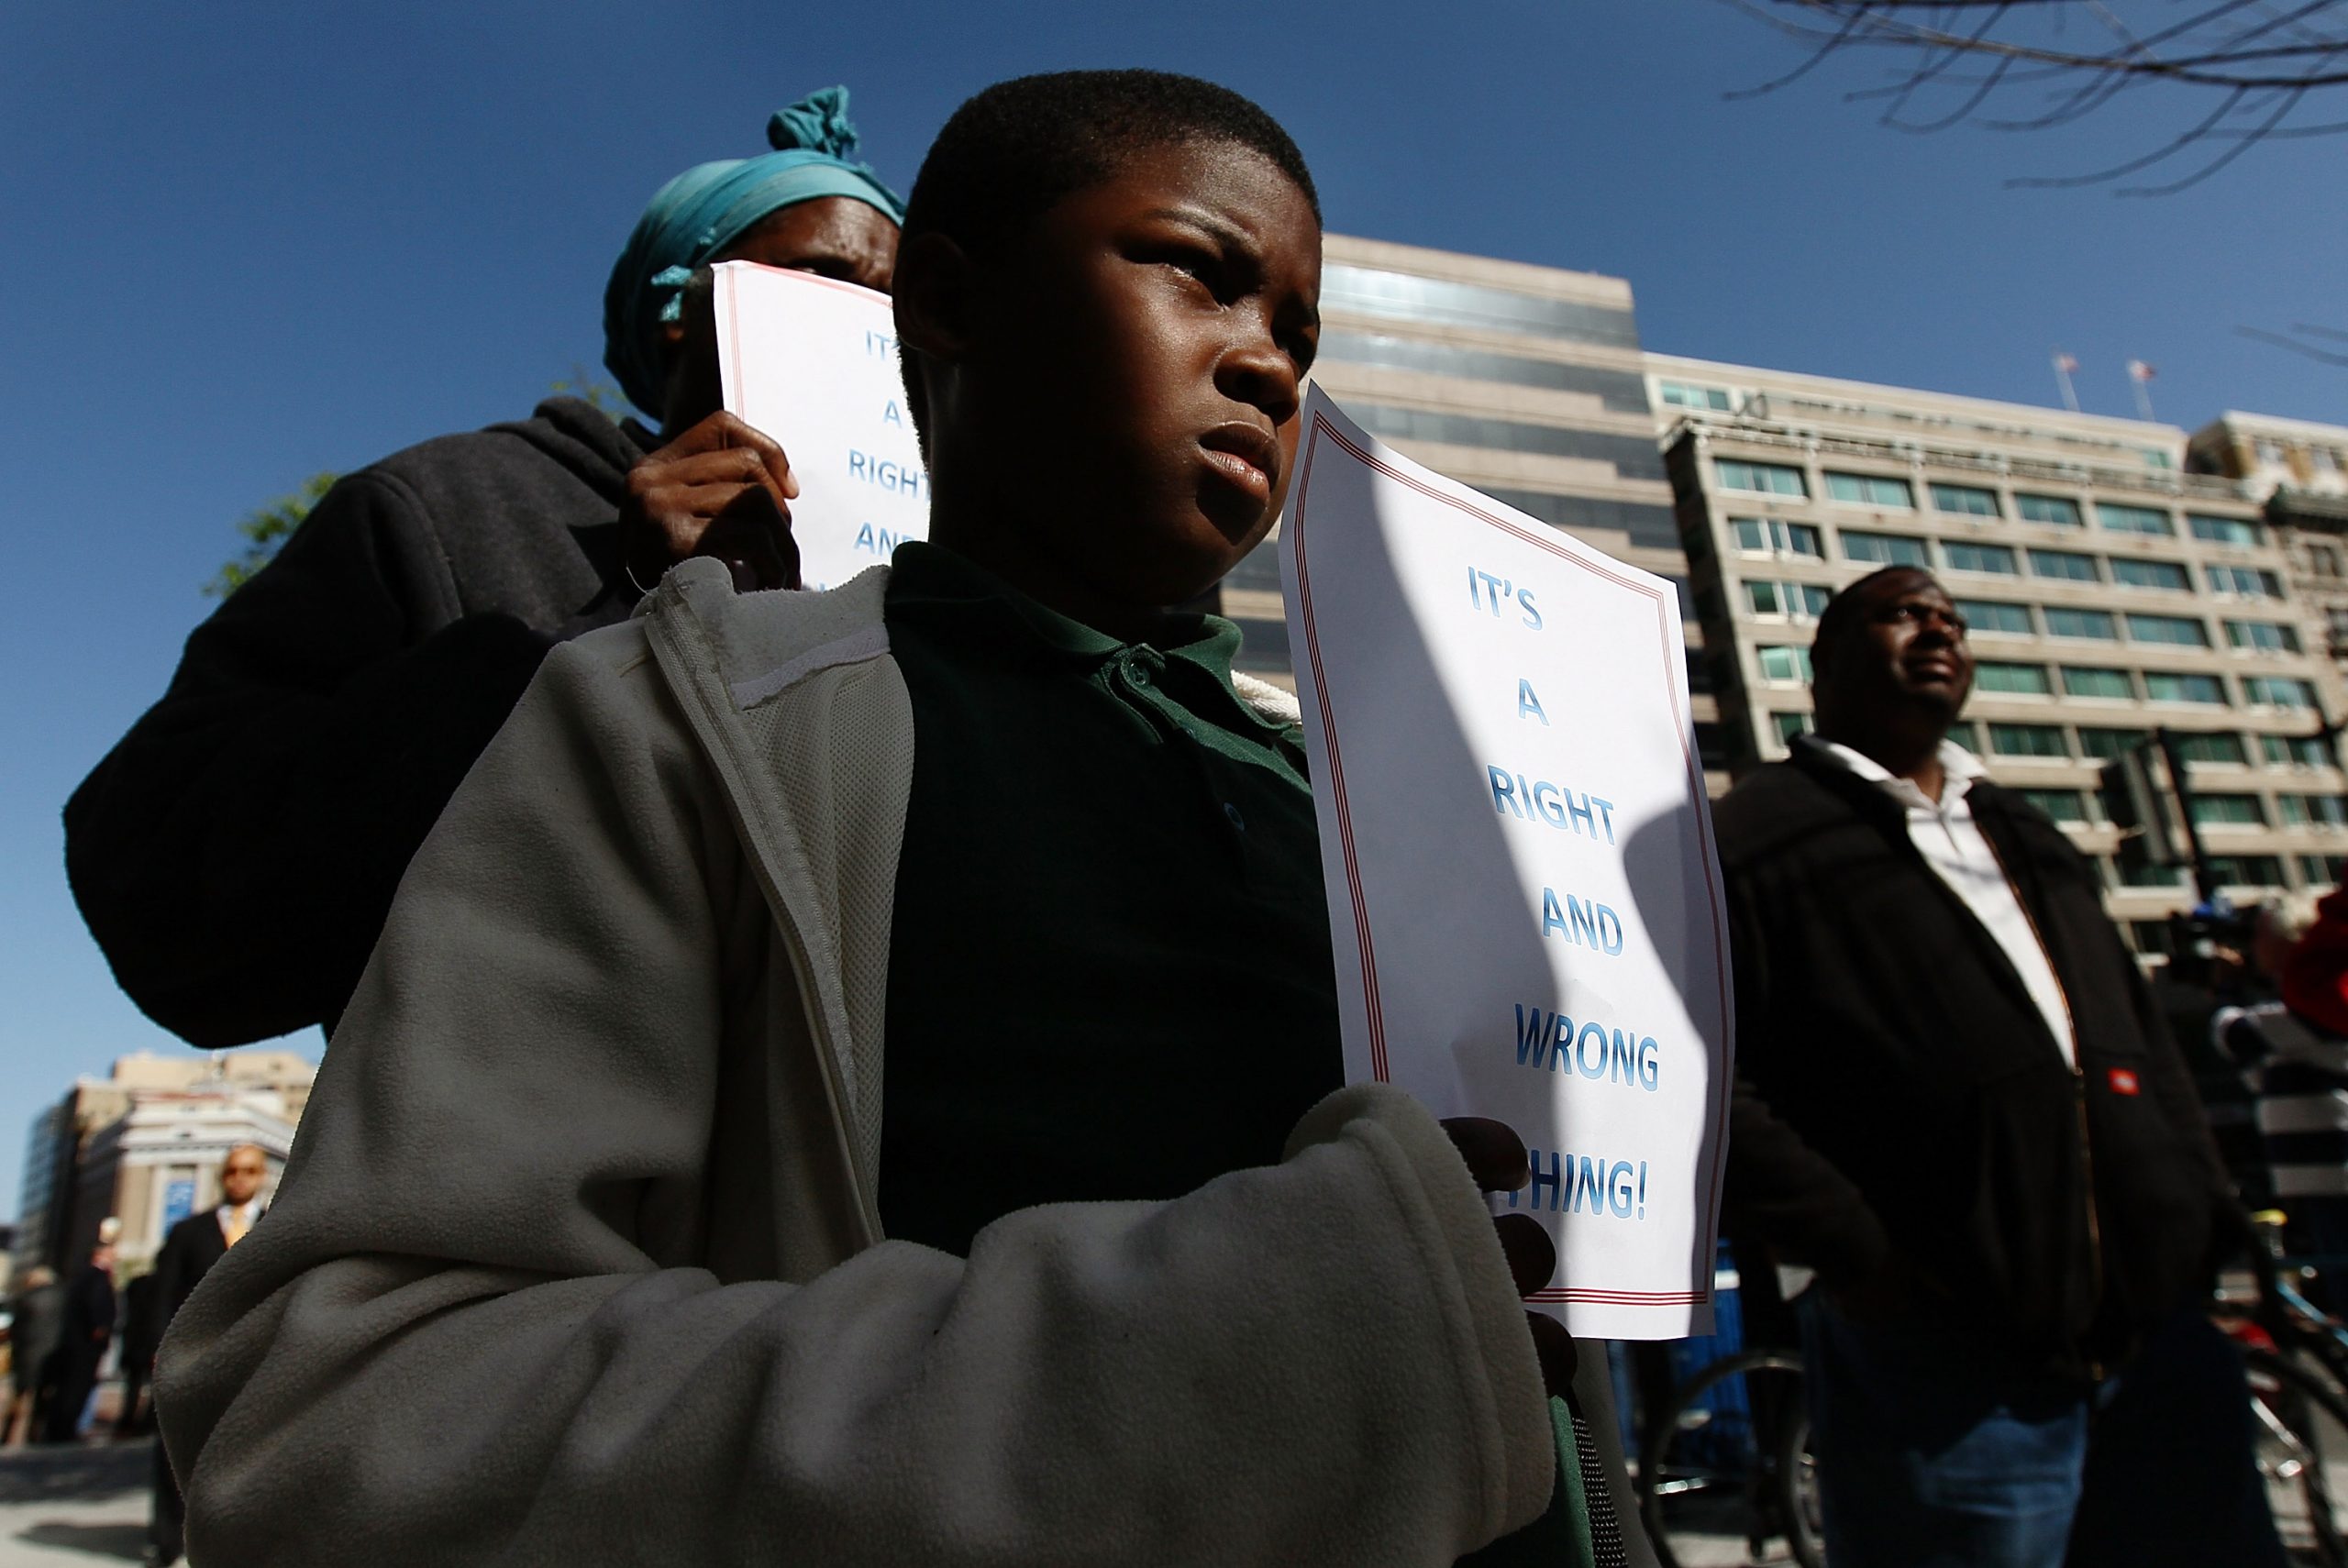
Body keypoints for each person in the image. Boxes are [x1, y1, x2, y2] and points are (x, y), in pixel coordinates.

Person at [158, 70, 1645, 1566]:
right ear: (936, 302)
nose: (1266, 361)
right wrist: (1231, 1360)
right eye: (1200, 273)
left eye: (1300, 334)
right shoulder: (677, 716)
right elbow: (336, 1425)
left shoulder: (1352, 800)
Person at [63, 88, 903, 1048]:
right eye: (825, 281)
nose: (873, 328)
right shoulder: (448, 505)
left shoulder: (935, 573)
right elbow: (159, 887)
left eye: (899, 306)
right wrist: (620, 633)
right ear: (684, 307)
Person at [1716, 565, 2275, 1567]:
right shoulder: (1754, 830)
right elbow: (1706, 1073)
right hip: (1945, 1371)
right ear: (1825, 660)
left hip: (2160, 1343)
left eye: (1952, 620)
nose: (1936, 631)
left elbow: (2139, 1037)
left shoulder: (2020, 829)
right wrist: (1858, 1252)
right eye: (1901, 613)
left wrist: (2204, 1211)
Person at [145, 1145, 270, 1565]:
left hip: (256, 1357)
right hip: (195, 1354)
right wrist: (160, 1349)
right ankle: (167, 1538)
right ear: (222, 1175)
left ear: (261, 1175)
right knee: (175, 1448)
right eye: (233, 1170)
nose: (240, 1177)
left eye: (249, 1170)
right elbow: (163, 1295)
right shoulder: (188, 1232)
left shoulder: (278, 1228)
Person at [44, 1243, 116, 1444]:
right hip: (86, 1346)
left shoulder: (80, 1277)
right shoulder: (98, 1278)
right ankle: (66, 1430)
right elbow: (97, 1306)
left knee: (68, 1388)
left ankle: (59, 1429)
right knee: (77, 1388)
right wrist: (100, 1328)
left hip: (75, 1343)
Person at [5, 1267, 62, 1447]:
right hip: (50, 1353)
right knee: (42, 1398)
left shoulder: (25, 1299)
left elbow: (16, 1330)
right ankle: (34, 1434)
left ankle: (8, 1434)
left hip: (27, 1353)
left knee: (19, 1396)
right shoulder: (60, 1299)